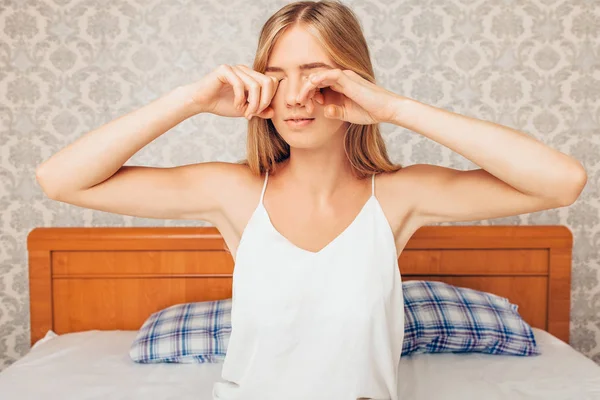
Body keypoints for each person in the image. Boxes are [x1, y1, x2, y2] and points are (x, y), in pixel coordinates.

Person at [35, 1, 587, 399]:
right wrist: (191, 99)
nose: (296, 96)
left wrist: (393, 108)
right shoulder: (234, 193)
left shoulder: (399, 197)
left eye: (315, 74)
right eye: (277, 77)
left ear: (353, 81)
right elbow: (61, 180)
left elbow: (561, 183)